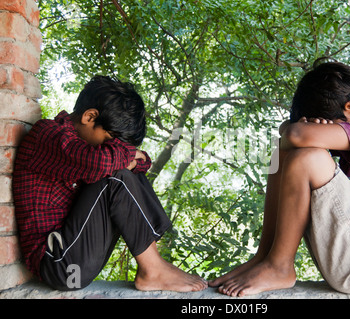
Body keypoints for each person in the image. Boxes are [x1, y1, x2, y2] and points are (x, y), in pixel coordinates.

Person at [209, 61, 350, 297]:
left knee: (308, 157)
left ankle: (280, 266)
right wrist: (304, 130)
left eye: (326, 125)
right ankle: (265, 257)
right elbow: (288, 134)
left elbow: (295, 133)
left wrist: (303, 131)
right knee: (282, 152)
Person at [13, 75, 207, 292]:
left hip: (77, 261)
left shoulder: (83, 149)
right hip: (59, 265)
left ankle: (154, 263)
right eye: (108, 142)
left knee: (119, 171)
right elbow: (103, 162)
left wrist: (129, 157)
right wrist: (128, 156)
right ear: (89, 117)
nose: (110, 149)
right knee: (113, 176)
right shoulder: (47, 135)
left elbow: (141, 163)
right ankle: (153, 270)